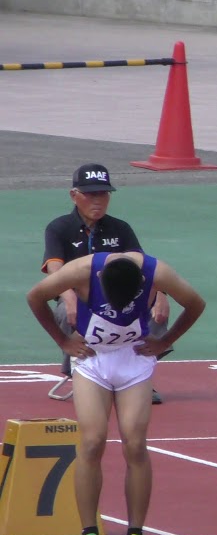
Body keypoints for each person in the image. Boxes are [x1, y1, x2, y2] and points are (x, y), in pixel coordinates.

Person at [27, 252, 206, 535]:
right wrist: (63, 342)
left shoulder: (157, 273)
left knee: (135, 443)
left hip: (133, 360)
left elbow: (196, 304)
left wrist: (166, 341)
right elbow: (35, 297)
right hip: (92, 360)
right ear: (99, 281)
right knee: (93, 440)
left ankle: (136, 533)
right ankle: (88, 534)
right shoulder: (81, 270)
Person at [42, 164, 172, 403]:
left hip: (123, 296)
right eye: (91, 194)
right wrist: (69, 296)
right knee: (65, 310)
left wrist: (161, 294)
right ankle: (82, 371)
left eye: (103, 194)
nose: (98, 200)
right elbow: (54, 268)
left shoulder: (120, 228)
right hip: (79, 295)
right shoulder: (59, 228)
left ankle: (138, 373)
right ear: (74, 195)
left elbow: (143, 264)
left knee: (156, 309)